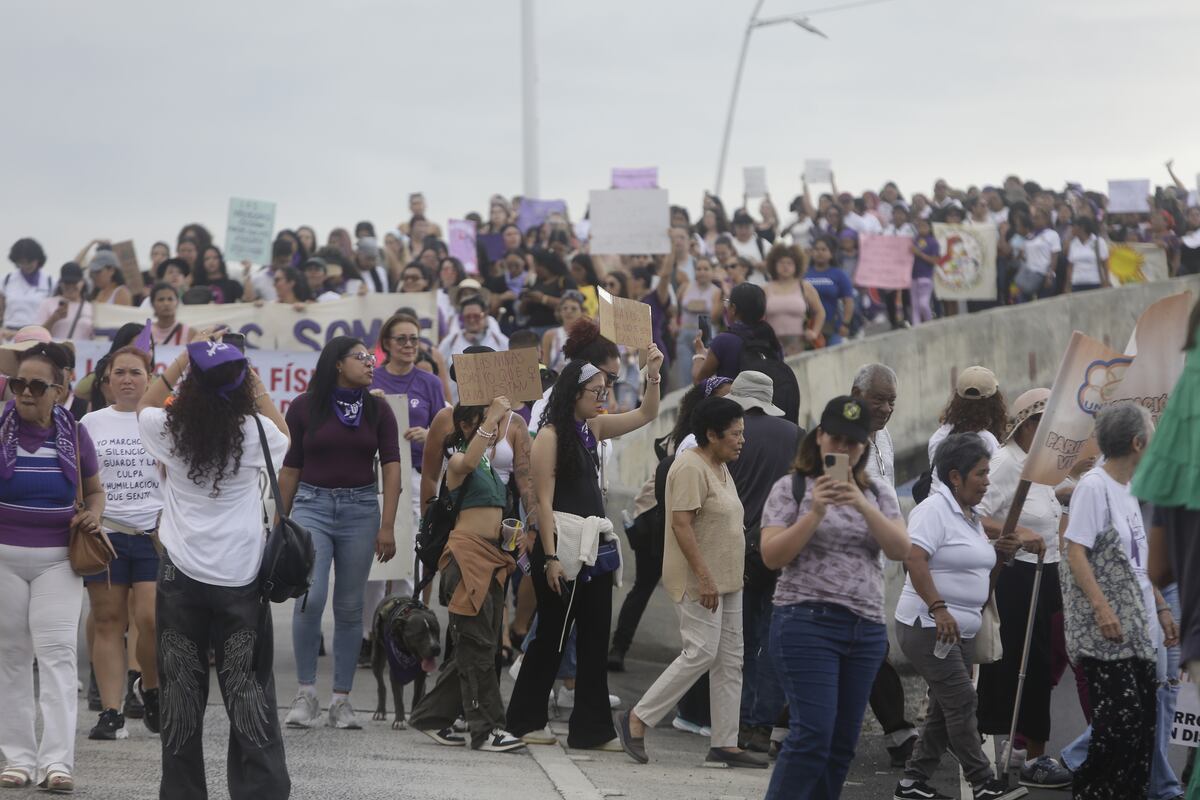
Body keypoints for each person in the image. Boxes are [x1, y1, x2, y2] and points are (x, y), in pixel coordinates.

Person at [136, 332, 291, 800]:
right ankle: (260, 792)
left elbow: (145, 404)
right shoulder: (255, 432)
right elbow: (284, 433)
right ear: (241, 383)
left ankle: (182, 793)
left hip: (180, 575)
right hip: (241, 577)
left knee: (181, 695)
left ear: (193, 384)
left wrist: (184, 357)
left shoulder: (169, 428)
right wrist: (253, 381)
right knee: (248, 692)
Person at [506, 348, 663, 748]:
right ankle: (524, 720)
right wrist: (550, 558)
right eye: (596, 391)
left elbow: (647, 414)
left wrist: (654, 374)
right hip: (560, 547)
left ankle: (591, 730)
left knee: (594, 639)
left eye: (605, 390)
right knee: (551, 637)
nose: (602, 397)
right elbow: (542, 502)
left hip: (593, 548)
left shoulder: (593, 428)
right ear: (573, 394)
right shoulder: (550, 435)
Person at [757, 396, 910, 799]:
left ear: (863, 446)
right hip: (806, 622)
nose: (843, 448)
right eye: (836, 438)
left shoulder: (877, 493)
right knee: (812, 735)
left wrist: (860, 502)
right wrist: (815, 513)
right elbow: (772, 555)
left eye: (853, 442)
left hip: (865, 629)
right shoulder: (791, 488)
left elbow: (900, 548)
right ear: (820, 436)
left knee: (842, 744)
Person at [617, 396, 767, 768]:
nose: (742, 440)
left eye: (742, 433)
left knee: (730, 659)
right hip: (701, 581)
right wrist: (705, 577)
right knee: (701, 651)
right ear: (712, 434)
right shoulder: (689, 466)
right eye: (735, 434)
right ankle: (638, 718)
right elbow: (681, 525)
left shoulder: (721, 465)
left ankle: (724, 744)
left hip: (728, 580)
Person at [893, 434, 1029, 800]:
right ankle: (983, 782)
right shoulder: (933, 510)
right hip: (929, 626)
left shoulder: (971, 515)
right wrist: (938, 608)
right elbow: (914, 559)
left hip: (959, 631)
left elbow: (971, 566)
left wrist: (1000, 553)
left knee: (944, 708)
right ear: (955, 476)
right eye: (980, 474)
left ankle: (912, 782)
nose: (987, 481)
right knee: (963, 700)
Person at [278, 338, 401, 731]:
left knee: (349, 606)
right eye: (361, 357)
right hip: (311, 505)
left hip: (361, 509)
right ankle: (306, 694)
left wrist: (387, 525)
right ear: (336, 364)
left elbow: (392, 468)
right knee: (309, 598)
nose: (370, 363)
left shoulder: (379, 410)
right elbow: (291, 467)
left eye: (371, 358)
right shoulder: (303, 407)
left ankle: (341, 701)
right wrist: (280, 522)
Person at [1059, 404, 1177, 800]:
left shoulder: (1128, 488)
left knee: (1142, 726)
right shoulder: (1094, 486)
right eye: (1153, 433)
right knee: (1119, 727)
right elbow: (1076, 551)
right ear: (1138, 442)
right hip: (1107, 637)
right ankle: (1092, 791)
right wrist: (1101, 607)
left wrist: (1161, 607)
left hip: (1139, 629)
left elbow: (1136, 561)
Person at [0, 342, 102, 793]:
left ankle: (57, 762)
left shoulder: (76, 434)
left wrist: (94, 515)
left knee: (58, 656)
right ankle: (18, 760)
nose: (25, 392)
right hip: (3, 558)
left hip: (59, 561)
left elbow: (95, 492)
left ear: (59, 391)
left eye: (37, 386)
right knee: (11, 658)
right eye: (17, 383)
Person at [409, 398, 526, 752]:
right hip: (466, 560)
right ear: (465, 426)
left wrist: (508, 534)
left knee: (474, 647)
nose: (495, 427)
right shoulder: (460, 460)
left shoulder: (487, 464)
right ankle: (487, 729)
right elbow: (468, 460)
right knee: (477, 648)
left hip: (492, 558)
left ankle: (431, 716)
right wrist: (492, 418)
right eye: (485, 420)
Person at [973, 389, 1073, 789]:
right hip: (1018, 576)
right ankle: (1029, 754)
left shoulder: (1039, 463)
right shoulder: (1004, 463)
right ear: (1029, 425)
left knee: (1044, 663)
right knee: (1022, 665)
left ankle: (1026, 748)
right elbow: (974, 514)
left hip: (1046, 573)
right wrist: (1018, 532)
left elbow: (1050, 504)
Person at [608, 376, 733, 671]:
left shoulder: (696, 435)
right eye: (725, 398)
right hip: (659, 521)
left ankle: (622, 649)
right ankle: (621, 649)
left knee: (650, 588)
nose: (731, 404)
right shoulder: (694, 441)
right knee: (653, 587)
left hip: (663, 518)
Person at [79, 346, 162, 742]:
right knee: (108, 621)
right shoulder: (90, 422)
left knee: (151, 619)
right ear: (107, 380)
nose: (127, 379)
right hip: (107, 535)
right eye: (119, 373)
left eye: (135, 372)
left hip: (154, 536)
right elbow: (79, 477)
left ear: (150, 378)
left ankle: (150, 686)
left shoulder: (162, 420)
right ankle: (111, 712)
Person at [722, 372, 803, 756]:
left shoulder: (729, 432)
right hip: (779, 548)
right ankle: (762, 724)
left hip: (734, 548)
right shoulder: (796, 435)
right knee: (772, 640)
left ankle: (735, 720)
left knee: (737, 640)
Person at [850, 365, 920, 767]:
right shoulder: (840, 442)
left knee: (857, 650)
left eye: (892, 401)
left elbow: (889, 502)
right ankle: (900, 734)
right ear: (856, 394)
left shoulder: (885, 438)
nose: (887, 408)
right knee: (872, 647)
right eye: (879, 399)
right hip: (844, 569)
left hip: (875, 564)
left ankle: (783, 728)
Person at [926, 366, 1006, 494]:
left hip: (935, 501)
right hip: (967, 505)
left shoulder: (939, 436)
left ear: (956, 400)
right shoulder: (986, 441)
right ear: (994, 404)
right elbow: (995, 486)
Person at [692, 282, 783, 382]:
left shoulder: (724, 341)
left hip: (734, 392)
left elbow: (699, 382)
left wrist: (700, 354)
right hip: (768, 392)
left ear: (733, 309)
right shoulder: (771, 338)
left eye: (728, 303)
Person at [763, 244, 823, 355]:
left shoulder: (805, 287)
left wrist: (814, 332)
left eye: (789, 263)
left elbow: (820, 312)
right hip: (772, 343)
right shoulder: (765, 289)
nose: (785, 266)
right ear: (774, 265)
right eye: (781, 263)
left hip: (799, 343)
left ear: (797, 265)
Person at [805, 236, 854, 346]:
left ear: (831, 253)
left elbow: (848, 302)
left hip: (832, 328)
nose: (820, 253)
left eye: (824, 249)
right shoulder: (804, 274)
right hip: (808, 329)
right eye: (816, 249)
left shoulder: (839, 274)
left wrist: (845, 324)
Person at [3, 239, 56, 334]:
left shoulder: (50, 282)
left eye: (30, 262)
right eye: (22, 262)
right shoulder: (6, 280)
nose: (26, 266)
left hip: (37, 334)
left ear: (38, 259)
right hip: (9, 334)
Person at [38, 262, 94, 340]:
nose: (70, 286)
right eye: (67, 282)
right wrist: (53, 319)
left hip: (84, 347)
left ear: (82, 283)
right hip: (56, 347)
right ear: (60, 283)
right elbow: (37, 334)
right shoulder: (47, 303)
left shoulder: (90, 307)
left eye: (74, 282)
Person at [1016, 208, 1061, 302]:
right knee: (1023, 301)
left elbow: (1054, 256)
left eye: (1037, 218)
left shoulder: (1052, 234)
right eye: (1033, 218)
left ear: (1046, 219)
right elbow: (1023, 257)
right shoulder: (1030, 236)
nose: (1034, 220)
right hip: (1029, 275)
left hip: (1044, 274)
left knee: (1043, 303)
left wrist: (1050, 275)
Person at [541, 290, 587, 375]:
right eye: (565, 308)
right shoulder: (550, 335)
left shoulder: (587, 334)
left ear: (582, 312)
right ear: (560, 312)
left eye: (574, 308)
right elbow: (545, 365)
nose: (568, 311)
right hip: (556, 380)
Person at [1063, 217, 1110, 293]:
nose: (1071, 229)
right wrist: (1068, 285)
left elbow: (1105, 263)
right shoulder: (1073, 243)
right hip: (1077, 283)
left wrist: (1106, 281)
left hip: (1094, 282)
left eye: (1074, 226)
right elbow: (1070, 266)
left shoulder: (1098, 242)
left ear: (1082, 227)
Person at [911, 217, 939, 326]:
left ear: (929, 228)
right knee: (915, 306)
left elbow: (935, 260)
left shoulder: (933, 242)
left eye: (924, 226)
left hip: (926, 277)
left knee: (923, 304)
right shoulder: (914, 240)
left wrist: (920, 254)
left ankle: (929, 324)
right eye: (919, 226)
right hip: (913, 277)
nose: (921, 228)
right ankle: (916, 327)